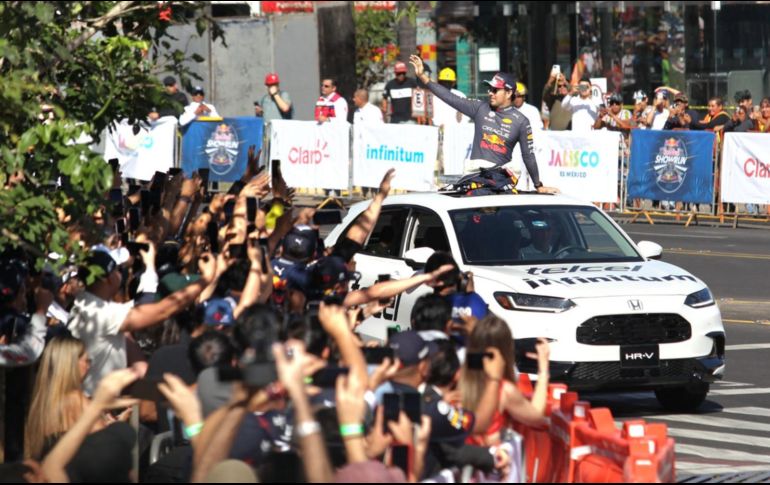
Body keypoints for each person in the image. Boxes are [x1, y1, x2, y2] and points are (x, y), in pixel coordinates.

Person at [67, 246, 216, 394]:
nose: (121, 273)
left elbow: (136, 358)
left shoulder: (85, 303)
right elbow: (164, 310)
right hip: (95, 403)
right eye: (117, 270)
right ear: (109, 279)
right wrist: (207, 279)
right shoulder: (100, 313)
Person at [409, 54, 556, 193]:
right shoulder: (480, 108)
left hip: (500, 181)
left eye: (495, 90)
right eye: (489, 89)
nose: (490, 93)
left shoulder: (522, 121)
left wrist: (538, 185)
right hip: (475, 177)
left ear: (509, 93)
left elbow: (528, 156)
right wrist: (422, 76)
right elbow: (449, 97)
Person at [460, 315, 551, 446]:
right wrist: (543, 369)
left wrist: (476, 336)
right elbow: (536, 417)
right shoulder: (503, 390)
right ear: (506, 349)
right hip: (488, 461)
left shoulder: (458, 378)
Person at [24, 336, 114, 460]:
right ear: (71, 364)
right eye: (86, 361)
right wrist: (114, 426)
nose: (89, 367)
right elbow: (105, 445)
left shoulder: (41, 402)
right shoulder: (76, 400)